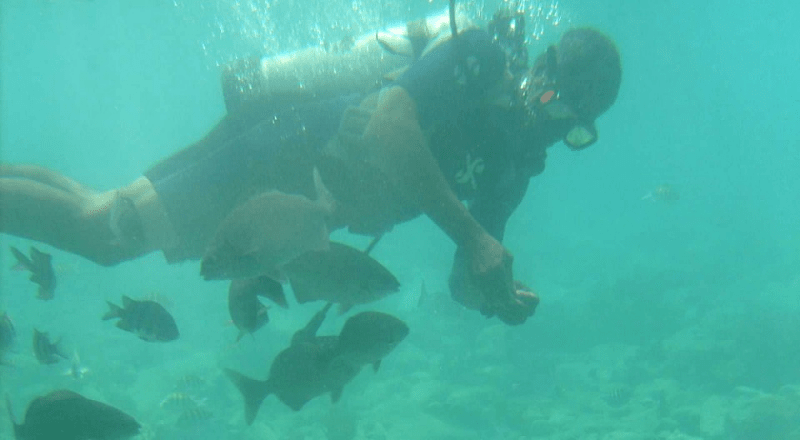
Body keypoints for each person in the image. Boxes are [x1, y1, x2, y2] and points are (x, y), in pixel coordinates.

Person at [0, 7, 621, 326]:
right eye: (560, 103)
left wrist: (494, 298)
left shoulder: (517, 163)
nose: (559, 124)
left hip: (290, 212)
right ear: (542, 69)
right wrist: (473, 235)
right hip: (274, 154)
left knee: (107, 209)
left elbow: (471, 270)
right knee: (103, 236)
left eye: (577, 125)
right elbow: (387, 124)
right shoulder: (481, 56)